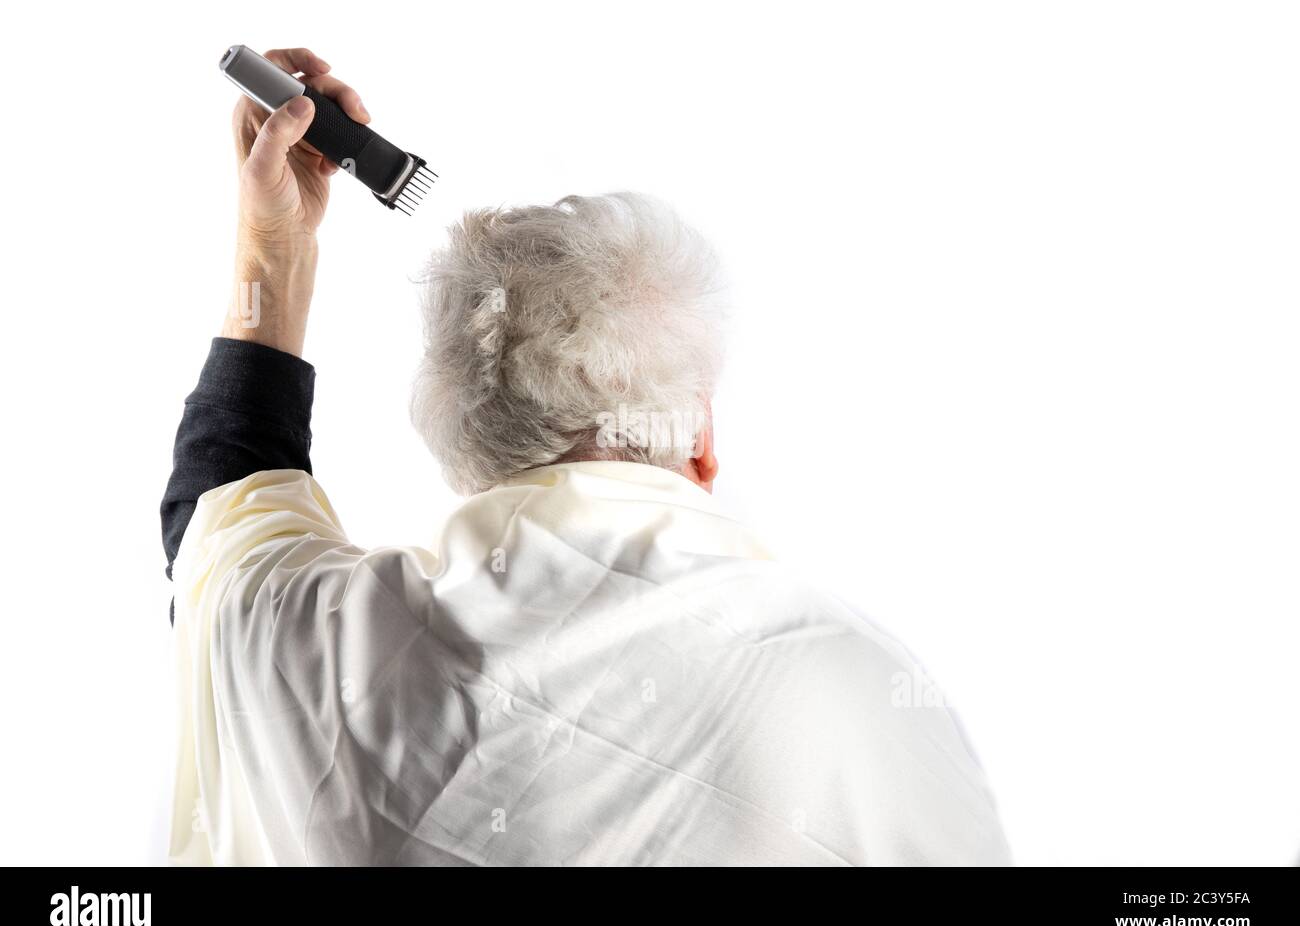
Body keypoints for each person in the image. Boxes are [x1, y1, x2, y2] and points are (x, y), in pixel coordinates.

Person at [161, 47, 1011, 866]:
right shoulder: (853, 682)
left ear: (471, 450)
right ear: (702, 443)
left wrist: (274, 244)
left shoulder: (320, 648)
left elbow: (217, 519)